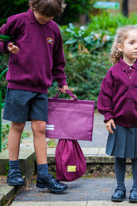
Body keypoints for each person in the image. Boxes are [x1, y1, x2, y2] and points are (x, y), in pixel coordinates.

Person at [0, 0, 68, 193]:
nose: (47, 19)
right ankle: (13, 170)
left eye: (51, 16)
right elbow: (2, 40)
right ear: (33, 7)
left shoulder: (53, 29)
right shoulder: (18, 21)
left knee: (40, 128)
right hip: (19, 85)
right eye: (44, 15)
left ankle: (43, 175)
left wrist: (61, 81)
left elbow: (58, 59)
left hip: (41, 88)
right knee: (17, 125)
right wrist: (8, 48)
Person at [97, 25, 137, 203]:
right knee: (120, 156)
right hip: (118, 124)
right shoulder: (113, 73)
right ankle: (119, 188)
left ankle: (136, 189)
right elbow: (105, 96)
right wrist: (108, 117)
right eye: (132, 42)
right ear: (120, 47)